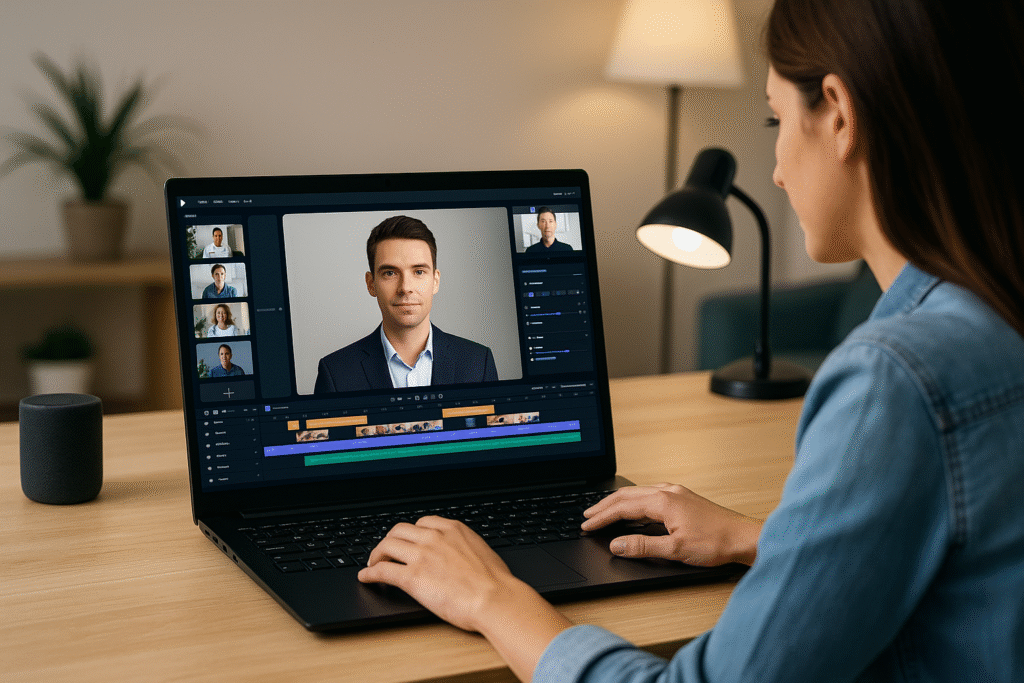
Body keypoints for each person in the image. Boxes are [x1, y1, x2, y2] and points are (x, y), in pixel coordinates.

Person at [355, 1, 1024, 681]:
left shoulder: (897, 382)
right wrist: (760, 539)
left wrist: (491, 595)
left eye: (775, 119)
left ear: (840, 114)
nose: (777, 170)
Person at [314, 216, 498, 393]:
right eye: (390, 273)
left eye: (418, 272)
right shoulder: (335, 373)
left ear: (435, 281)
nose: (405, 288)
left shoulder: (478, 362)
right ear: (371, 284)